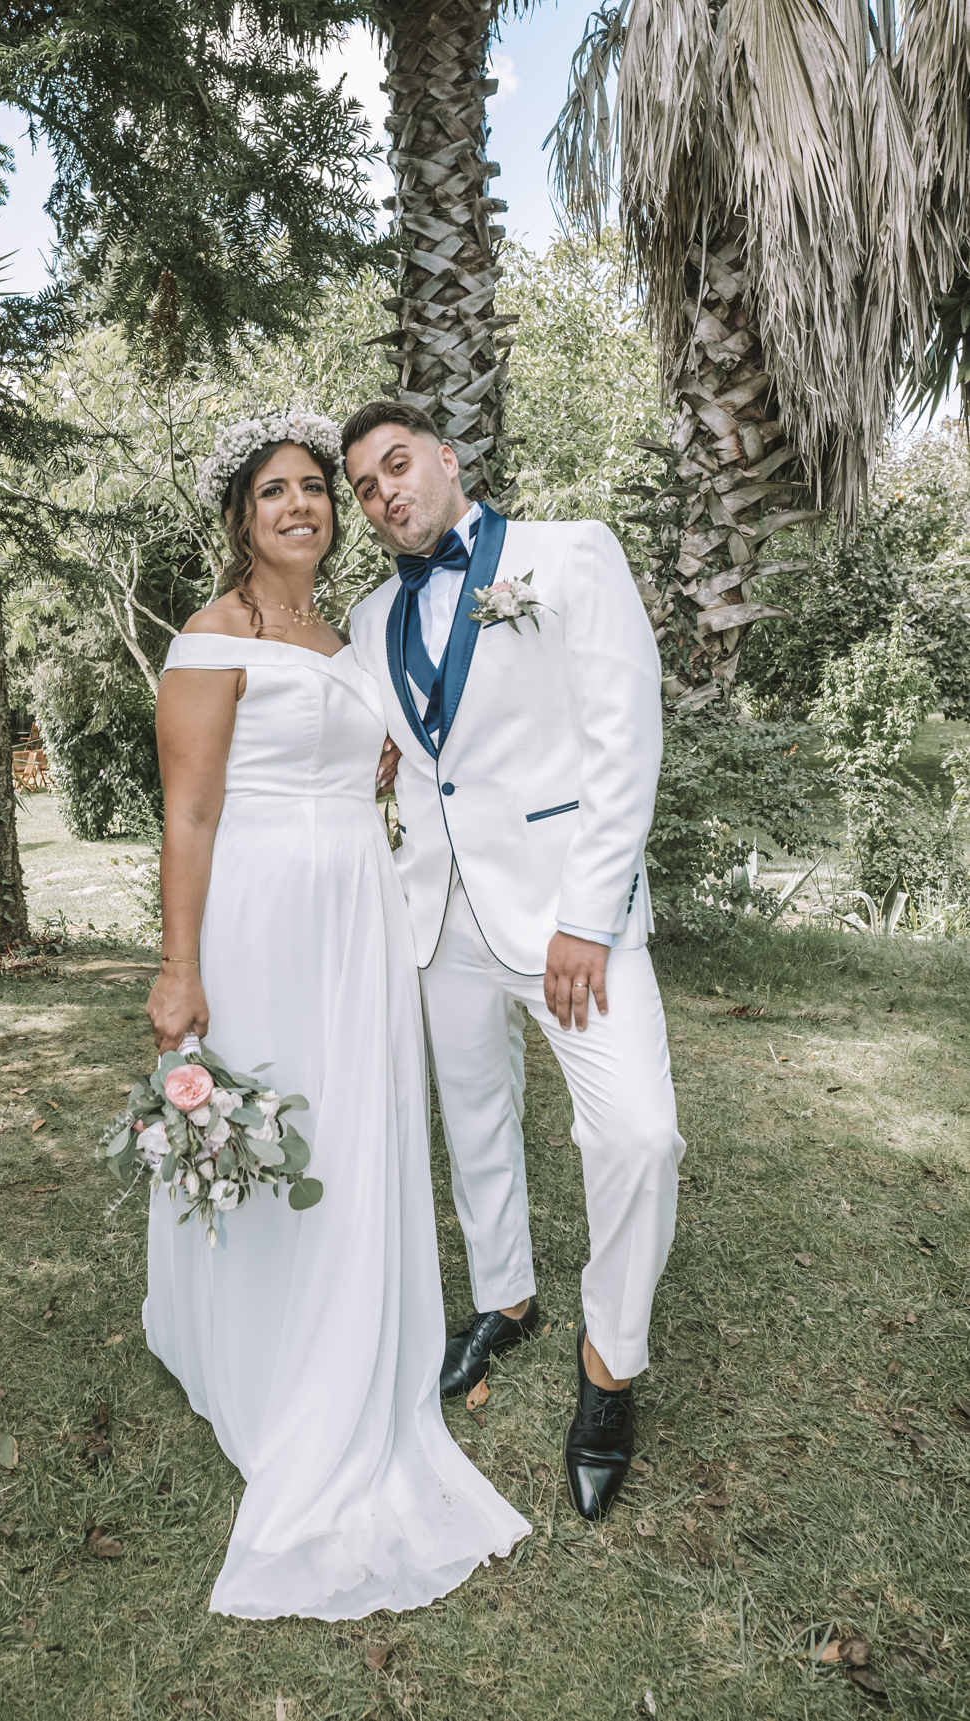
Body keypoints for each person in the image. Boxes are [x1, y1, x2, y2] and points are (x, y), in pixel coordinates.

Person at [143, 409, 529, 1621]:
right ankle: (258, 1342)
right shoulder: (211, 635)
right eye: (276, 491)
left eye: (316, 487)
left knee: (352, 1123)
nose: (301, 504)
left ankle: (352, 1318)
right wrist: (178, 964)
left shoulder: (353, 634)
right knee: (270, 1109)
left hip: (358, 907)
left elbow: (392, 749)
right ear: (240, 516)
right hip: (259, 908)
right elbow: (189, 812)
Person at [343, 401, 685, 1522]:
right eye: (365, 486)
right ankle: (506, 1296)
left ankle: (609, 1364)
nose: (384, 492)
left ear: (447, 459)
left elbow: (625, 736)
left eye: (398, 464)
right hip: (438, 916)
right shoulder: (367, 618)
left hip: (565, 921)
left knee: (636, 1135)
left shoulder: (569, 554)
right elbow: (396, 745)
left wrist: (588, 916)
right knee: (473, 1119)